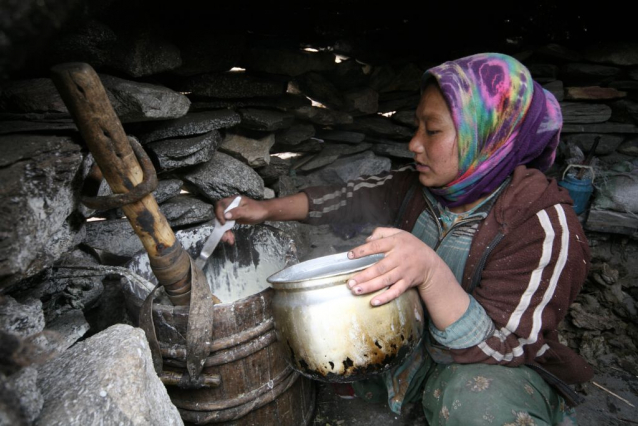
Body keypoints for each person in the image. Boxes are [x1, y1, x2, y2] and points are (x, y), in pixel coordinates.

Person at [215, 53, 593, 425]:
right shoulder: (419, 190)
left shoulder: (541, 224)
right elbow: (347, 199)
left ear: (489, 136)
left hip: (491, 366)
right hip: (417, 346)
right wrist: (263, 209)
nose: (414, 143)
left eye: (432, 130)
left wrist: (430, 272)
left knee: (473, 402)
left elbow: (506, 346)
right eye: (416, 127)